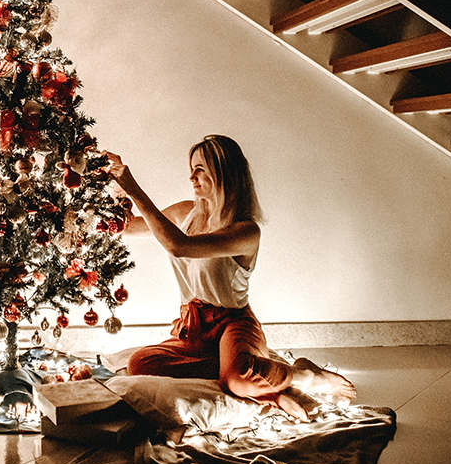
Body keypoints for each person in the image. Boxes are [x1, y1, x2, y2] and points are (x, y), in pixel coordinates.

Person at [104, 135, 356, 421]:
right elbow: (126, 228)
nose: (191, 176)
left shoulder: (245, 231)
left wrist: (134, 187)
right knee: (140, 363)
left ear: (223, 173)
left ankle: (301, 375)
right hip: (194, 325)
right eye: (191, 168)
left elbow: (179, 245)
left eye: (200, 168)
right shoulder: (185, 212)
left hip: (233, 323)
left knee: (236, 380)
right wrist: (116, 186)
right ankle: (261, 376)